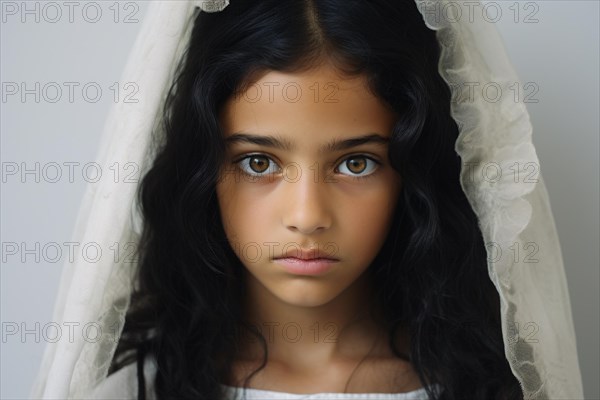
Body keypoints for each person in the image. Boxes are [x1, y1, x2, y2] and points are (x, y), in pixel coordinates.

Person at [29, 1, 584, 399]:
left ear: (412, 173)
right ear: (202, 171)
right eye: (259, 162)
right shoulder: (132, 393)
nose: (307, 216)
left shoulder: (490, 387)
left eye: (355, 162)